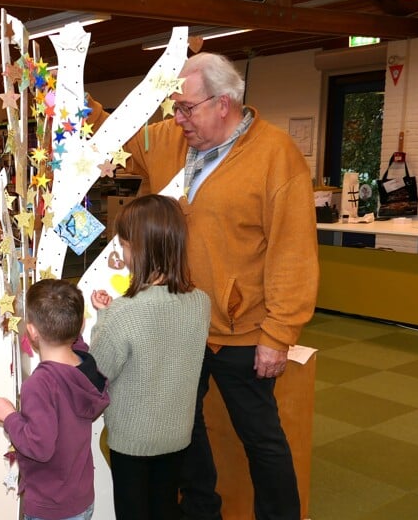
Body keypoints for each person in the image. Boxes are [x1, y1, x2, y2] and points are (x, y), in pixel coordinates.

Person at [90, 51, 318, 519]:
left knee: (262, 438)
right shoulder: (172, 139)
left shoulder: (276, 155)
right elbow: (123, 136)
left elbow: (293, 251)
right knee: (184, 430)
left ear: (223, 103)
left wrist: (278, 334)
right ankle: (200, 512)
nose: (178, 119)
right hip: (178, 321)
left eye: (186, 109)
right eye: (175, 109)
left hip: (243, 329)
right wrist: (76, 102)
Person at [89, 194, 210, 519]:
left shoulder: (124, 313)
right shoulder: (201, 303)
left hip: (132, 437)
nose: (122, 252)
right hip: (177, 431)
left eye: (124, 244)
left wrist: (103, 319)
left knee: (133, 511)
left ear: (140, 249)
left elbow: (98, 369)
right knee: (165, 506)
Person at [0, 279, 110, 520]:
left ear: (32, 331)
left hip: (51, 507)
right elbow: (78, 346)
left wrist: (9, 417)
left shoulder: (39, 385)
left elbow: (39, 446)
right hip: (81, 499)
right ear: (80, 327)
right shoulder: (85, 364)